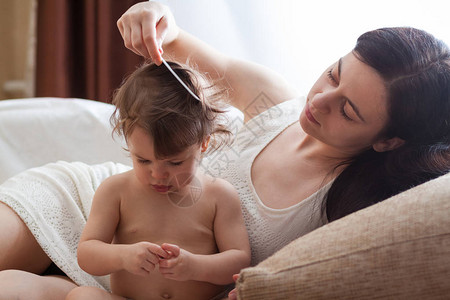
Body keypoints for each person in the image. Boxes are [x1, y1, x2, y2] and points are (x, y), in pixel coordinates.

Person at [1, 1, 449, 299]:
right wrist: (154, 17)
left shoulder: (348, 208)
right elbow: (172, 40)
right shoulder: (274, 102)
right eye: (333, 74)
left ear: (389, 140)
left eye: (347, 110)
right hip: (88, 206)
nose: (318, 101)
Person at [64, 61, 250, 300]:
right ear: (128, 140)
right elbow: (87, 254)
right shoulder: (116, 191)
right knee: (82, 297)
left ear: (203, 143)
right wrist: (123, 256)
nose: (158, 174)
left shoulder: (219, 195)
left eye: (174, 163)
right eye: (143, 161)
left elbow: (239, 260)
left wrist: (195, 266)